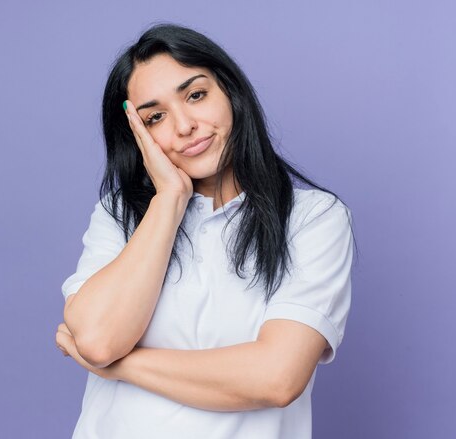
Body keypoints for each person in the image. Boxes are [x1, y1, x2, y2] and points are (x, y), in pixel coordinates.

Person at [55, 23, 356, 439]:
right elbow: (99, 341)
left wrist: (123, 365)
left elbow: (276, 378)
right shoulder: (119, 215)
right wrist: (169, 201)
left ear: (231, 93)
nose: (184, 126)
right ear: (137, 135)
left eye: (196, 95)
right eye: (155, 117)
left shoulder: (312, 218)